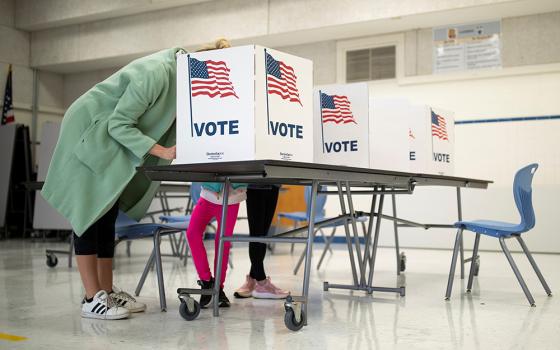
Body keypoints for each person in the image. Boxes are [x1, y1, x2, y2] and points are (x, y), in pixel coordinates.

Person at [41, 44, 193, 319]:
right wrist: (162, 151)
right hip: (90, 131)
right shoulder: (157, 72)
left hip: (112, 139)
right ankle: (91, 298)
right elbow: (118, 124)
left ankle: (107, 292)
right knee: (88, 209)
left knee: (108, 212)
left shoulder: (180, 77)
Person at [186, 182, 247, 308]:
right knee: (192, 233)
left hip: (231, 198)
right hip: (207, 195)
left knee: (222, 242)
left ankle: (218, 288)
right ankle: (206, 282)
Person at [234, 185, 289, 299]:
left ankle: (253, 279)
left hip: (273, 183)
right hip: (256, 182)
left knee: (263, 235)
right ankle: (262, 282)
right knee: (256, 234)